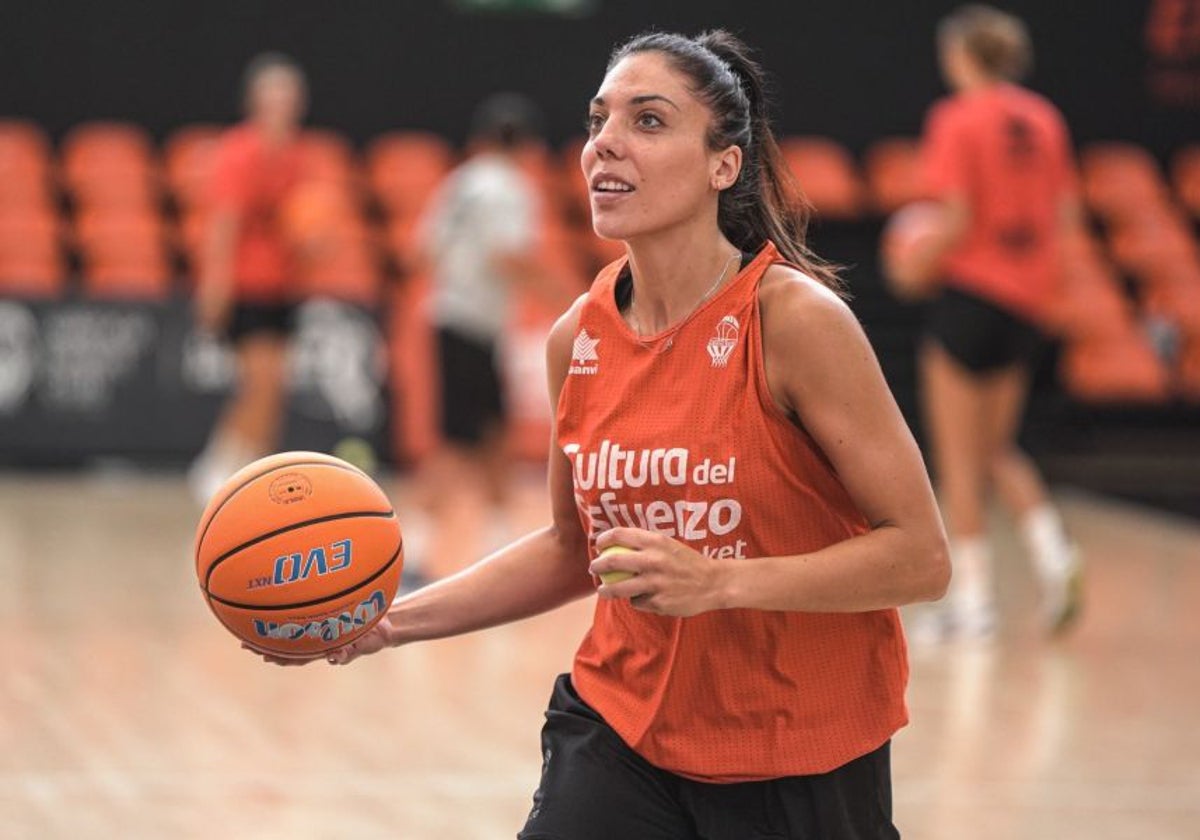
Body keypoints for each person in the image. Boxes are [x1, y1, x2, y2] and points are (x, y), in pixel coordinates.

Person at [259, 30, 949, 839]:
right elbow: (568, 546)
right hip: (623, 729)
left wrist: (722, 583)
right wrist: (385, 625)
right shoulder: (575, 337)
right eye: (597, 121)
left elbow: (920, 558)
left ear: (723, 164)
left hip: (797, 748)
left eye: (648, 122)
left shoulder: (794, 322)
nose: (604, 145)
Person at [886, 4, 1084, 640]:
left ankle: (973, 605)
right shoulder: (1046, 118)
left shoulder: (957, 117)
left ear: (963, 56)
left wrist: (917, 269)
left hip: (971, 294)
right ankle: (1057, 556)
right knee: (997, 447)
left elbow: (958, 215)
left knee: (958, 460)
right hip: (1027, 301)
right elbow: (1066, 217)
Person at [411, 92, 575, 580]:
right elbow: (506, 255)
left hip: (449, 315)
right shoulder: (509, 188)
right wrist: (567, 294)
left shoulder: (458, 183)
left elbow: (423, 253)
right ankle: (417, 547)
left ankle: (500, 539)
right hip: (473, 323)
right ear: (527, 146)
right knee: (459, 441)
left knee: (490, 432)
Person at [189, 53, 308, 503]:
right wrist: (215, 287)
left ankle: (253, 469)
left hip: (283, 287)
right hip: (247, 285)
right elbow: (224, 225)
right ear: (255, 102)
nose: (283, 106)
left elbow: (299, 223)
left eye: (289, 98)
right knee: (259, 382)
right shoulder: (238, 153)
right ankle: (220, 467)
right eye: (274, 97)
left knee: (275, 387)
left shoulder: (297, 156)